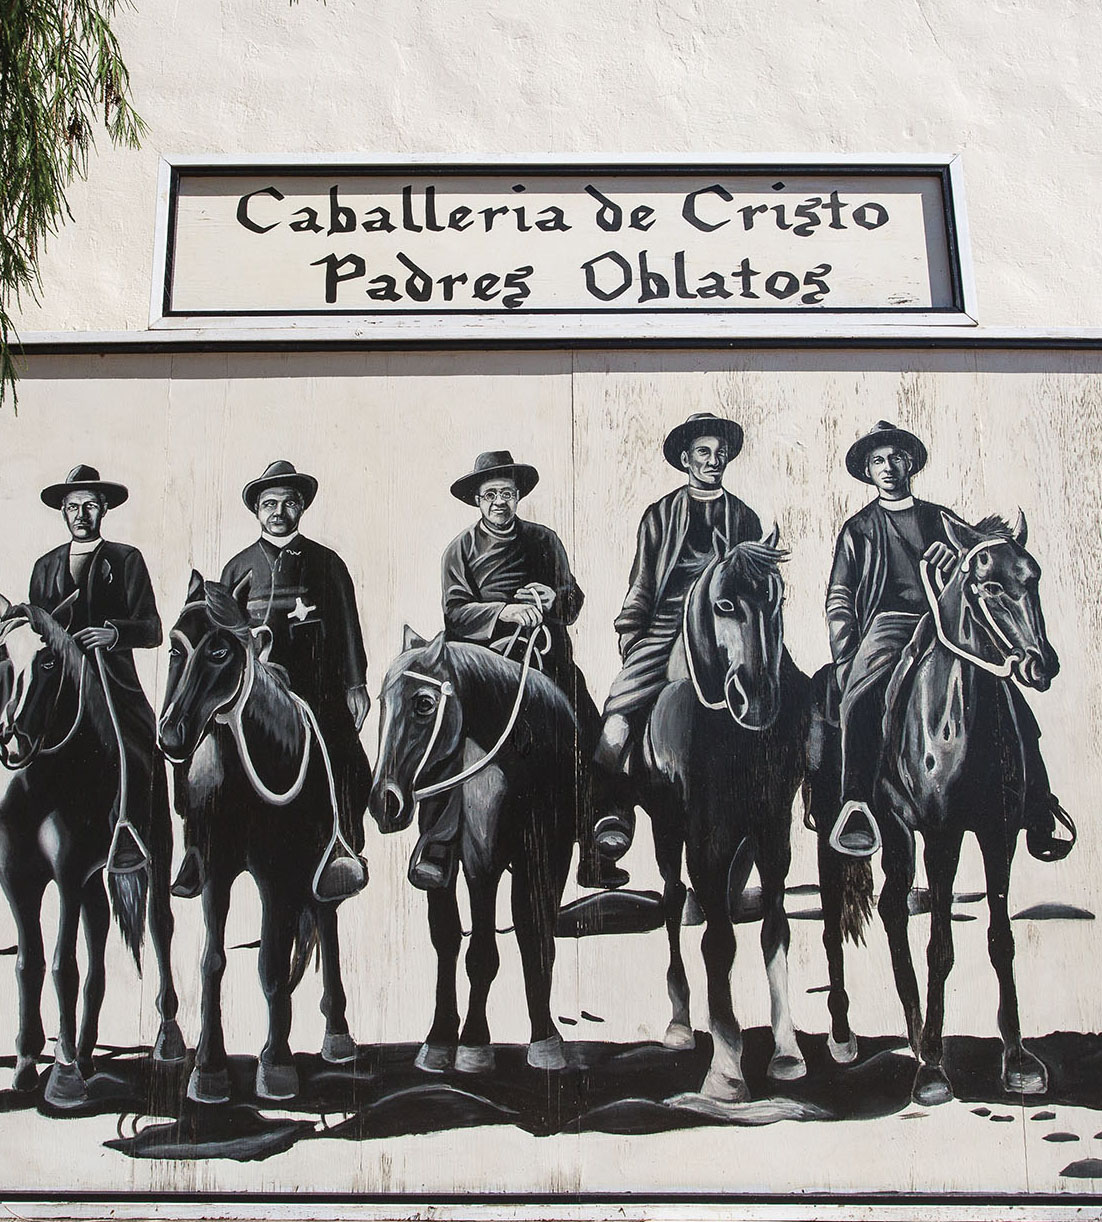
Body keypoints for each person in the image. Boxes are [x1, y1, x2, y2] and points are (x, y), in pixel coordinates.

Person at [826, 420, 1074, 861]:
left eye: (896, 459)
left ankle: (1039, 802)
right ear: (868, 470)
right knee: (859, 700)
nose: (888, 468)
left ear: (909, 466)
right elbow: (840, 598)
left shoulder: (940, 519)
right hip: (888, 629)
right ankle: (857, 804)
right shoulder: (858, 529)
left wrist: (954, 562)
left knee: (1010, 698)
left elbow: (980, 565)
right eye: (878, 461)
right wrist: (848, 654)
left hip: (943, 624)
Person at [171, 459, 371, 902]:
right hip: (250, 695)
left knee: (350, 760)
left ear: (301, 508)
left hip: (313, 688)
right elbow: (215, 638)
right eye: (269, 504)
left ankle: (342, 847)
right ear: (257, 511)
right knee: (196, 757)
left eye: (287, 503)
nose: (278, 511)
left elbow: (348, 626)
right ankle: (196, 848)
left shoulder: (327, 563)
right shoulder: (237, 567)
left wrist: (356, 684)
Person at [424, 450, 625, 890]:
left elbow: (573, 600)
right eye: (491, 494)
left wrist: (554, 599)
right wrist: (505, 612)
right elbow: (455, 614)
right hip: (485, 669)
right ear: (477, 501)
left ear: (518, 497)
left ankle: (599, 838)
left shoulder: (544, 540)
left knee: (588, 723)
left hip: (546, 659)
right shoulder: (459, 550)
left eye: (507, 494)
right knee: (442, 735)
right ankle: (436, 844)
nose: (500, 502)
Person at [595, 412, 763, 858]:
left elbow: (755, 587)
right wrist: (632, 636)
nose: (713, 461)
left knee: (782, 692)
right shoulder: (660, 515)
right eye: (704, 453)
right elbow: (643, 583)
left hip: (728, 625)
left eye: (719, 454)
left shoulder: (745, 518)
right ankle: (614, 810)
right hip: (667, 626)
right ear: (686, 459)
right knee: (615, 716)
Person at [30, 465, 162, 874]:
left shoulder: (126, 559)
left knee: (141, 748)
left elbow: (152, 629)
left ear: (103, 509)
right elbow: (34, 630)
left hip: (112, 683)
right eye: (73, 507)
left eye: (89, 505)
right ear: (63, 513)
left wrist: (114, 635)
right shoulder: (44, 565)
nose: (81, 514)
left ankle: (131, 833)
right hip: (55, 686)